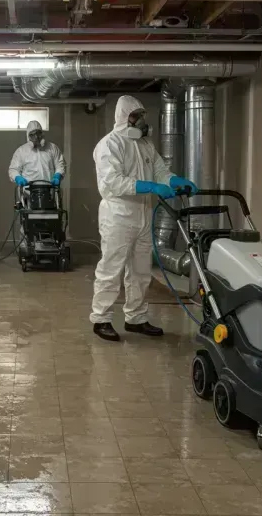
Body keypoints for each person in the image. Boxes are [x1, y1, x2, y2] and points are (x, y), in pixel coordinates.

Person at [90, 95, 197, 342]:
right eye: (135, 116)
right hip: (118, 215)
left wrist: (173, 180)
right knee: (111, 268)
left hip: (143, 214)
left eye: (142, 116)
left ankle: (135, 318)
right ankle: (101, 318)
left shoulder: (146, 145)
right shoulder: (109, 144)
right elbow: (112, 182)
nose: (141, 121)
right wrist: (149, 186)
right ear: (124, 117)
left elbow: (160, 170)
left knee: (140, 271)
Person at [8, 120, 66, 188]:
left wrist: (57, 176)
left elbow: (60, 164)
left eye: (38, 133)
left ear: (42, 134)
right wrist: (17, 177)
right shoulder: (21, 151)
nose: (36, 137)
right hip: (29, 191)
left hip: (49, 189)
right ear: (28, 136)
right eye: (32, 134)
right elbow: (13, 169)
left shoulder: (52, 148)